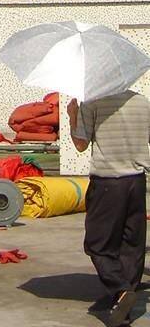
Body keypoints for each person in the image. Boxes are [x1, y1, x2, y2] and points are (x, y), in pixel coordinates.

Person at [68, 89, 150, 326]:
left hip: (107, 182)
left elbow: (81, 144)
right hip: (136, 180)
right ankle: (124, 304)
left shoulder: (92, 102)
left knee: (98, 244)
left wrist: (73, 116)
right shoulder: (142, 102)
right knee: (131, 244)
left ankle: (121, 290)